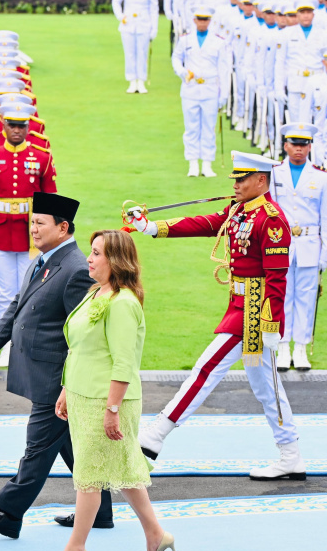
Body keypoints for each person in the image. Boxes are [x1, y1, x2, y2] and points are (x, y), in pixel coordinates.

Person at [131, 151, 306, 481]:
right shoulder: (240, 209)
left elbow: (277, 278)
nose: (236, 184)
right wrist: (154, 227)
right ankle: (291, 454)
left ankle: (155, 436)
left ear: (261, 181)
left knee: (205, 369)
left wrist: (271, 325)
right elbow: (208, 223)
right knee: (267, 387)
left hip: (254, 313)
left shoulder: (271, 220)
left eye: (242, 179)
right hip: (239, 306)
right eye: (236, 179)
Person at [0, 192, 114, 540]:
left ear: (63, 228)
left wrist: (69, 384)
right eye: (32, 222)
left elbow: (84, 333)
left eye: (39, 223)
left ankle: (8, 513)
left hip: (57, 378)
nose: (33, 228)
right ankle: (101, 511)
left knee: (37, 447)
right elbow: (20, 303)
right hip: (41, 373)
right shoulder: (41, 260)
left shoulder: (77, 269)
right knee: (70, 445)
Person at [44, 230, 173, 551]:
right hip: (85, 396)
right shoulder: (95, 293)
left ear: (115, 261)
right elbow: (80, 348)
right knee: (121, 470)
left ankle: (75, 550)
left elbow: (122, 363)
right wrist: (67, 389)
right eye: (91, 251)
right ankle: (157, 536)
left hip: (109, 401)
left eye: (97, 253)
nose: (89, 258)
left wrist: (112, 409)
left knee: (88, 476)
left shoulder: (124, 303)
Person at [0, 102, 57, 366]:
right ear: (3, 124)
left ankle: (29, 344)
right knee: (5, 292)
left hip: (33, 237)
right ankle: (5, 344)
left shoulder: (41, 157)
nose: (17, 130)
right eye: (12, 125)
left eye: (22, 125)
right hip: (0, 234)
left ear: (28, 127)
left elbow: (51, 199)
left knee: (33, 292)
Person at [271, 123, 327, 370]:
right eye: (294, 144)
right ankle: (282, 347)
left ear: (310, 146)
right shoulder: (274, 173)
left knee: (307, 298)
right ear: (286, 145)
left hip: (310, 244)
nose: (299, 150)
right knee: (282, 296)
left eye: (304, 145)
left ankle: (300, 348)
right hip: (281, 244)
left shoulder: (321, 176)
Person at [172, 6, 229, 178]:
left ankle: (207, 163)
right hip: (191, 87)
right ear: (194, 20)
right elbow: (176, 58)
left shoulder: (219, 41)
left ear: (210, 21)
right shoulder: (185, 40)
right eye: (199, 19)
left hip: (210, 88)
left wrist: (224, 94)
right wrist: (182, 72)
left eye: (206, 19)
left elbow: (224, 69)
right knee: (191, 127)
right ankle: (192, 163)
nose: (202, 22)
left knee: (208, 127)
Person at [112, 0, 159, 94]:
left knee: (142, 54)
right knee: (130, 54)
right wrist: (121, 16)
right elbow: (115, 1)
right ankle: (132, 81)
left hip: (144, 25)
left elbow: (154, 10)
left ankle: (141, 81)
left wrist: (154, 29)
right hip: (128, 25)